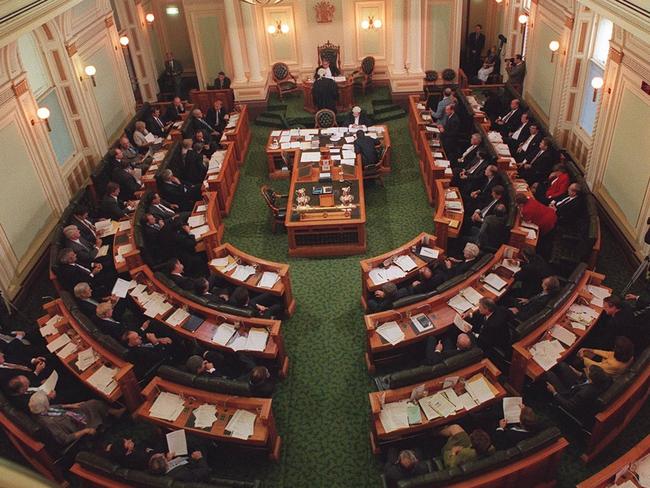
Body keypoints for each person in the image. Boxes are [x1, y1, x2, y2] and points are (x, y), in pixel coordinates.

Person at [28, 390, 124, 446]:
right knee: (92, 409)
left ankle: (114, 413)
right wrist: (85, 431)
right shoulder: (49, 424)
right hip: (77, 426)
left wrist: (70, 405)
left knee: (92, 402)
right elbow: (65, 439)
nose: (49, 398)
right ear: (44, 405)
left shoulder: (39, 409)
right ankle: (109, 419)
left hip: (71, 415)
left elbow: (55, 407)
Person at [545, 364, 611, 419]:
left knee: (549, 374)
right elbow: (589, 381)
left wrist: (554, 392)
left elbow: (569, 405)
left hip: (568, 397)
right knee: (562, 365)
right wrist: (579, 373)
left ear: (591, 378)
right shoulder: (603, 380)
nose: (585, 369)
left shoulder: (584, 393)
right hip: (577, 387)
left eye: (587, 370)